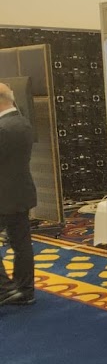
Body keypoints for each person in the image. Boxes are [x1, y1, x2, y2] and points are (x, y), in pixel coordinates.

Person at [0, 83, 37, 306]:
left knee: (20, 243)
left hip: (3, 196)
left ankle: (4, 289)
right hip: (20, 192)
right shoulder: (23, 122)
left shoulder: (3, 128)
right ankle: (25, 290)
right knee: (22, 244)